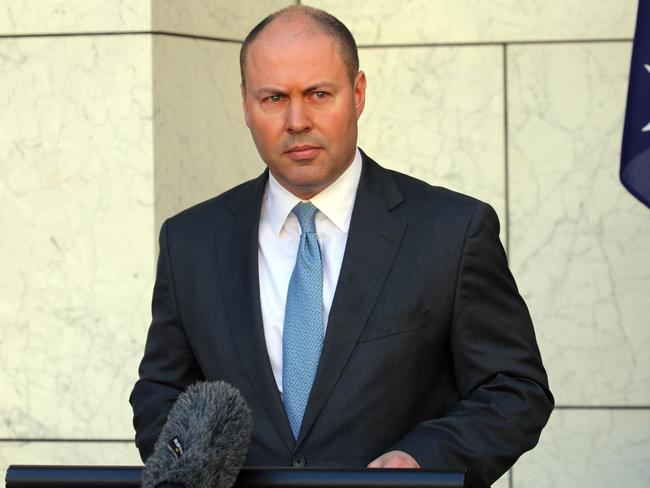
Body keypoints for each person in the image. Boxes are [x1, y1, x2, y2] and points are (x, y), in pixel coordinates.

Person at [130, 5, 553, 487]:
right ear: (246, 105)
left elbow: (514, 389)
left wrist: (421, 462)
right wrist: (189, 468)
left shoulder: (452, 231)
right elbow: (161, 391)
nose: (297, 120)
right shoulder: (191, 241)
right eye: (273, 98)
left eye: (318, 94)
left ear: (357, 94)